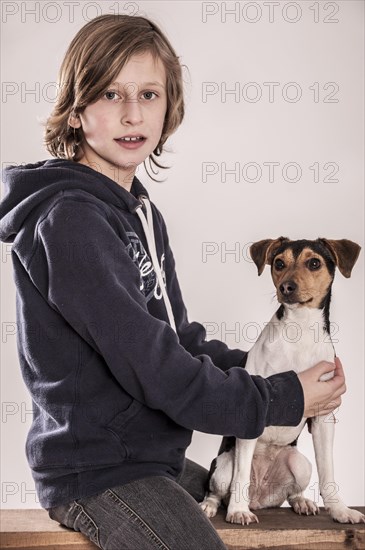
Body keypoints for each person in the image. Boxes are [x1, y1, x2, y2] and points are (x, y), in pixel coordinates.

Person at [0, 14, 346, 550]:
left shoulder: (139, 213)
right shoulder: (71, 221)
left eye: (149, 93)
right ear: (75, 109)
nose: (133, 112)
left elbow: (177, 340)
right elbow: (157, 371)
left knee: (245, 499)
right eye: (110, 93)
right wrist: (280, 398)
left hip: (146, 456)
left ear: (169, 108)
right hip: (98, 471)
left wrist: (274, 367)